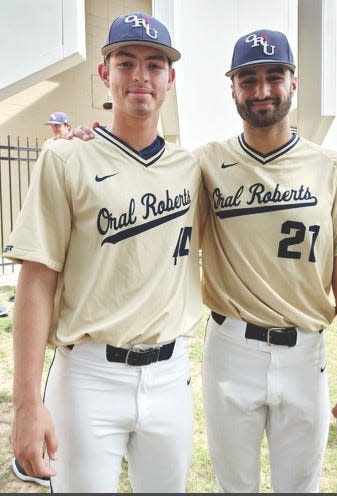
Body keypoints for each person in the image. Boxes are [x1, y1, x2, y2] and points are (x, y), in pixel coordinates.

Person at [4, 12, 202, 493]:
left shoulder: (192, 168)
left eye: (155, 65)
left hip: (171, 374)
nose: (140, 76)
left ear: (170, 79)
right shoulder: (66, 156)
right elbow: (36, 280)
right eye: (125, 62)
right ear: (104, 74)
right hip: (88, 374)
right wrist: (27, 403)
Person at [194, 29, 337, 492]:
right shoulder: (204, 164)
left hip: (305, 353)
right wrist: (84, 141)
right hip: (231, 347)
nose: (261, 90)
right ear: (232, 88)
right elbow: (144, 175)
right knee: (234, 487)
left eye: (274, 76)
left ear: (293, 83)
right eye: (247, 78)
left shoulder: (332, 168)